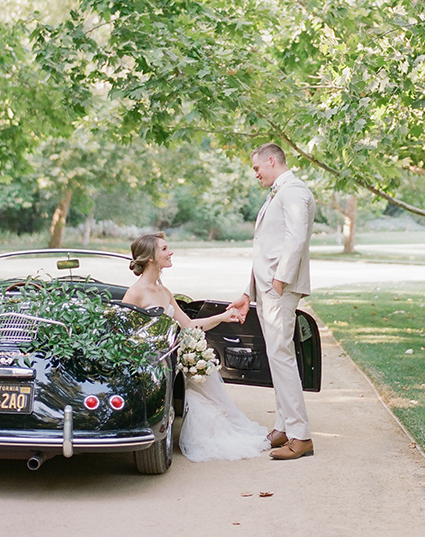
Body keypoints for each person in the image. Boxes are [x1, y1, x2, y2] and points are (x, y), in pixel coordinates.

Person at [122, 232, 269, 462]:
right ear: (150, 258)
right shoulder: (134, 293)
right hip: (152, 363)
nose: (170, 252)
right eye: (164, 249)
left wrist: (223, 316)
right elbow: (125, 335)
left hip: (172, 359)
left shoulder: (164, 291)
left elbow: (188, 324)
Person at [229, 143, 316, 460]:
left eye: (256, 168)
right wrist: (248, 292)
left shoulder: (294, 191)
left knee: (281, 356)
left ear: (270, 160)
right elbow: (265, 247)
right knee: (276, 356)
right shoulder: (279, 194)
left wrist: (280, 280)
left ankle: (300, 435)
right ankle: (283, 425)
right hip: (267, 287)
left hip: (280, 287)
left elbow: (295, 239)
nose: (256, 174)